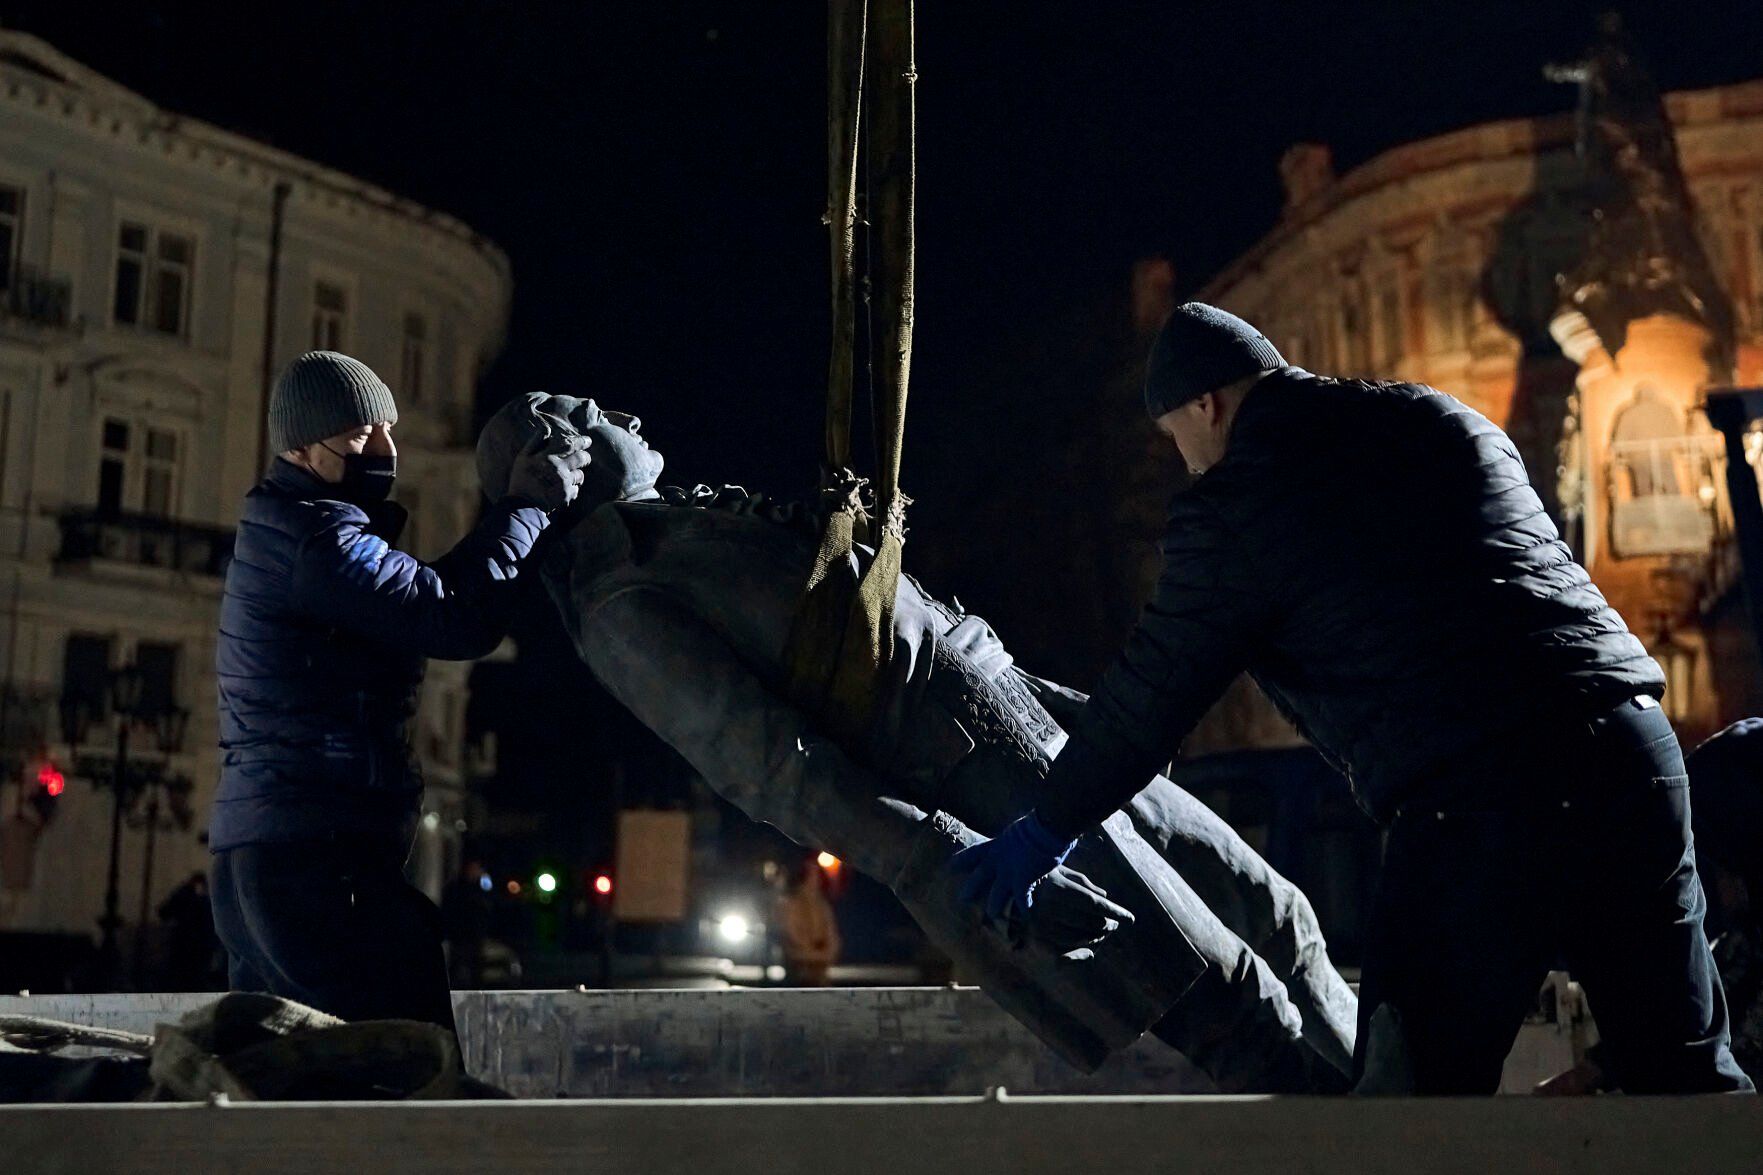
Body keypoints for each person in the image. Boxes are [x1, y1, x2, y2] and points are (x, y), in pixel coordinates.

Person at [951, 302, 1752, 1094]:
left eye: (1175, 438)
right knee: (1682, 1082)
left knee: (1409, 1108)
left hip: (1475, 799)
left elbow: (1148, 698)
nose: (1185, 459)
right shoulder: (1437, 417)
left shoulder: (1239, 505)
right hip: (1631, 754)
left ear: (1207, 403)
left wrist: (1047, 825)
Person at [475, 392, 1357, 1091]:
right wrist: (946, 858)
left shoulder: (684, 526)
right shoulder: (623, 603)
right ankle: (1381, 1159)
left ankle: (1407, 1114)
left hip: (1048, 738)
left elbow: (919, 627)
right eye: (588, 414)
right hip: (989, 804)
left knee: (1277, 912)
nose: (624, 417)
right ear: (553, 457)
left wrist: (1060, 703)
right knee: (1230, 1001)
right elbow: (774, 770)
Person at [209, 352, 589, 1030]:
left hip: (279, 850)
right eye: (359, 435)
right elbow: (450, 613)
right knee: (397, 1065)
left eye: (387, 429)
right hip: (313, 858)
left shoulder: (296, 527)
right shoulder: (313, 539)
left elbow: (422, 595)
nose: (384, 450)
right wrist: (528, 506)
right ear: (300, 445)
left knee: (292, 1080)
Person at [1540, 718, 1763, 1093]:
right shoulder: (1747, 941)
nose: (1719, 886)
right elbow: (1694, 1014)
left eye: (1725, 866)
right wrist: (1597, 1069)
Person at [776, 859, 842, 986]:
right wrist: (813, 955)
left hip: (820, 976)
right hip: (797, 976)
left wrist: (825, 954)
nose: (816, 879)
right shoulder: (789, 905)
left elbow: (833, 938)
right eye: (813, 875)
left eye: (817, 875)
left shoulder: (822, 906)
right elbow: (791, 940)